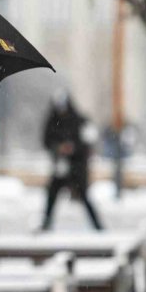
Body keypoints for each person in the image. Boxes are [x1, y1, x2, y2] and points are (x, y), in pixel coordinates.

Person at [40, 94, 103, 231]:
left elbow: (88, 142)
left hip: (77, 167)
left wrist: (73, 148)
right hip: (60, 167)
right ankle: (46, 223)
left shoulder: (79, 121)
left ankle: (98, 226)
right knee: (52, 194)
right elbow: (46, 141)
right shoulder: (52, 121)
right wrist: (58, 148)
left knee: (85, 197)